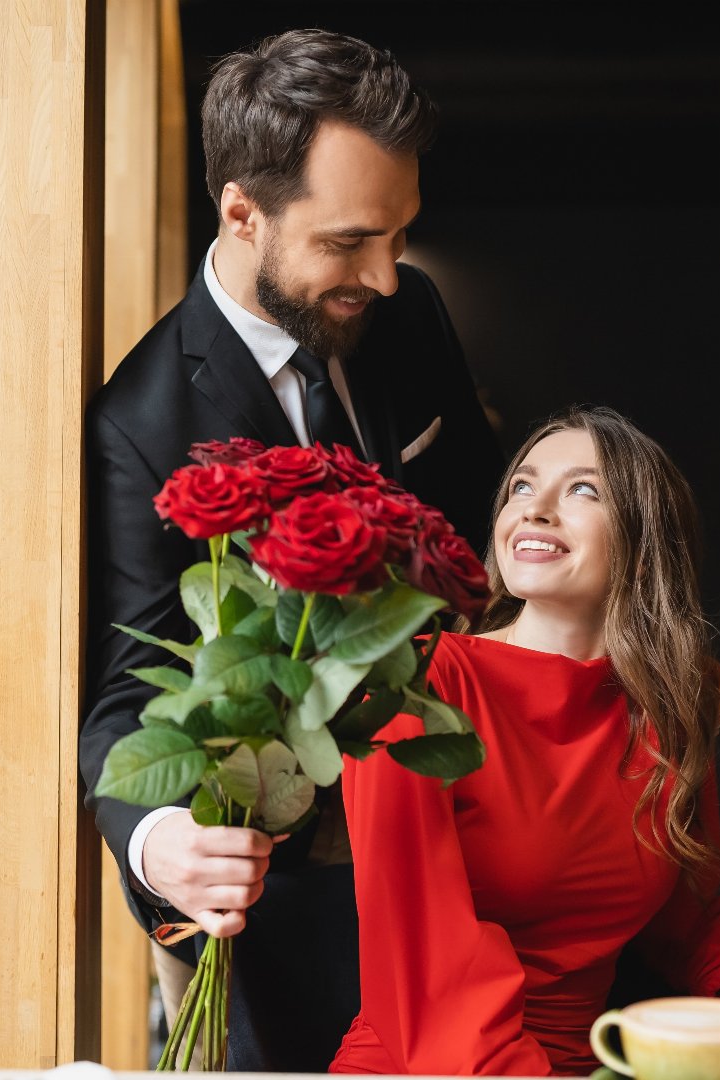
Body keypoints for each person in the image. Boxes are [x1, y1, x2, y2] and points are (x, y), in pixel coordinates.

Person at [79, 28, 503, 1071]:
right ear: (242, 213)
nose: (389, 278)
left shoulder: (411, 320)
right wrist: (160, 844)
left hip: (474, 848)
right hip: (298, 915)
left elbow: (481, 533)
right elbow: (124, 699)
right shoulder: (137, 422)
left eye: (400, 237)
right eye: (351, 243)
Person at [334, 406, 720, 1079]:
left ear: (646, 544)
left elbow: (688, 910)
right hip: (433, 1064)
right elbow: (424, 963)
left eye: (584, 490)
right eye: (522, 487)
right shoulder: (413, 684)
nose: (536, 509)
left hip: (595, 1065)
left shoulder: (675, 701)